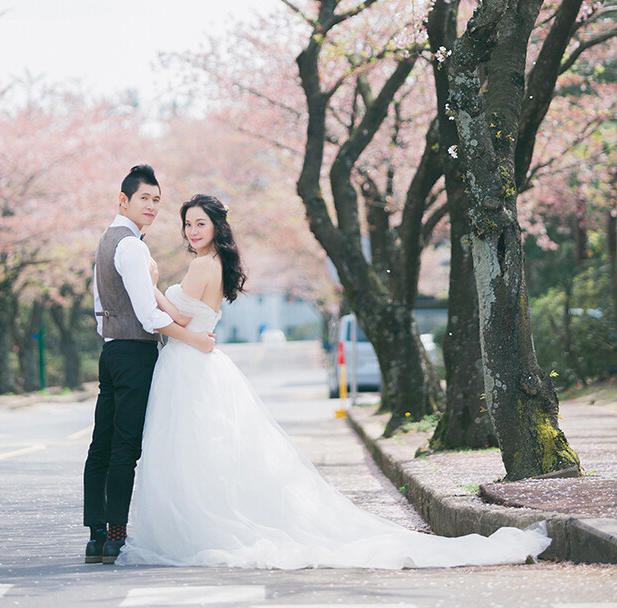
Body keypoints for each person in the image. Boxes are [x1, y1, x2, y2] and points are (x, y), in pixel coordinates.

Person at [118, 194, 551, 570]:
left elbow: (173, 318)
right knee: (203, 451)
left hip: (189, 363)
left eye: (200, 223)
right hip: (198, 362)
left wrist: (151, 285)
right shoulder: (216, 263)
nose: (192, 231)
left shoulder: (200, 267)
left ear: (216, 227)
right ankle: (200, 519)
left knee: (190, 450)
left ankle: (198, 525)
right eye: (188, 224)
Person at [82, 165, 215, 566]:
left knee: (101, 444)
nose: (152, 206)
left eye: (157, 200)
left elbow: (99, 307)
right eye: (144, 198)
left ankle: (96, 535)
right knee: (125, 448)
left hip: (110, 352)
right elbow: (148, 315)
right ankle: (115, 538)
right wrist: (190, 336)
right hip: (135, 354)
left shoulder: (106, 241)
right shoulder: (133, 247)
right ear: (123, 200)